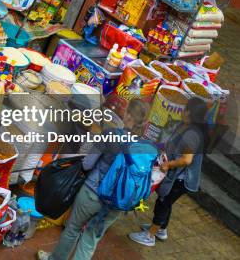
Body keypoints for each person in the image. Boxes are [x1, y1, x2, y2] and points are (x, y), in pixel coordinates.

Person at [38, 99, 148, 260]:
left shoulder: (110, 135)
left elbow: (88, 164)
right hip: (117, 202)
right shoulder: (144, 147)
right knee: (90, 239)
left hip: (92, 194)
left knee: (73, 229)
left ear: (129, 116)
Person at [128, 97, 208, 247]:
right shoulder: (184, 126)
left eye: (185, 108)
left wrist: (168, 164)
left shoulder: (192, 134)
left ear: (190, 113)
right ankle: (161, 229)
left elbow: (186, 160)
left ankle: (150, 235)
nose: (182, 111)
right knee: (167, 201)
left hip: (181, 178)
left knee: (163, 202)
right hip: (175, 174)